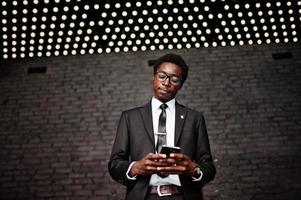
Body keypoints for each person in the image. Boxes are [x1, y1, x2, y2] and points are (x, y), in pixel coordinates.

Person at [108, 53, 216, 200]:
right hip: (143, 196)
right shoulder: (130, 117)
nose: (166, 82)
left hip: (183, 196)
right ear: (153, 78)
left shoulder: (194, 118)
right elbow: (114, 164)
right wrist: (135, 167)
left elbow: (208, 167)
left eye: (174, 79)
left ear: (181, 85)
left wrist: (194, 169)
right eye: (162, 76)